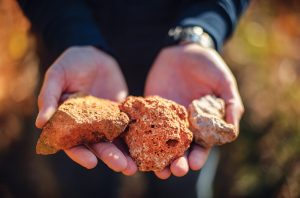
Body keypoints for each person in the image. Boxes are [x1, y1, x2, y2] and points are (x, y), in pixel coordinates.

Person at [17, 0, 248, 197]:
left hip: (182, 75)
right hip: (81, 67)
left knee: (181, 185)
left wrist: (202, 29)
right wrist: (71, 33)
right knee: (83, 182)